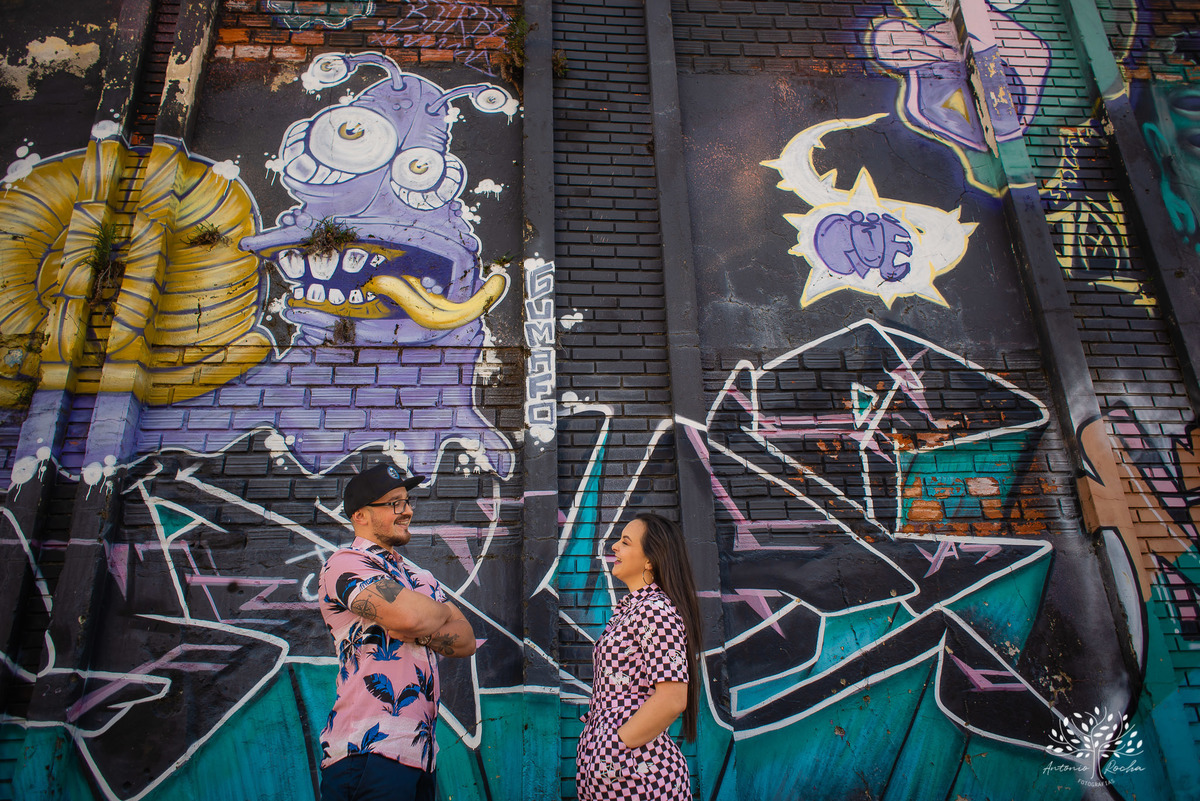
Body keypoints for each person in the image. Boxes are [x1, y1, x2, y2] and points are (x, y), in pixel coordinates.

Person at [317, 462, 476, 801]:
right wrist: (429, 616)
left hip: (422, 755)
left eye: (406, 501)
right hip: (367, 753)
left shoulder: (420, 577)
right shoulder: (346, 564)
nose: (406, 511)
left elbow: (465, 640)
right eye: (394, 503)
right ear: (361, 516)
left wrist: (421, 619)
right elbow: (409, 619)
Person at [575, 512, 704, 801]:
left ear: (649, 560)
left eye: (625, 542)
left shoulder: (655, 611)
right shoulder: (633, 611)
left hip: (641, 778)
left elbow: (672, 699)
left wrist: (614, 747)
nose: (614, 548)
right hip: (620, 773)